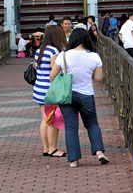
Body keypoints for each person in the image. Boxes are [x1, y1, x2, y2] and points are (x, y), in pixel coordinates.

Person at [49, 28, 109, 168]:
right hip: (86, 94)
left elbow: (52, 75)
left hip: (67, 95)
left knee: (71, 128)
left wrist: (58, 85)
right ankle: (99, 151)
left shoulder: (63, 55)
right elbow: (99, 78)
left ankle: (74, 160)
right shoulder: (94, 56)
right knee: (92, 124)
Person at [32, 19, 67, 158]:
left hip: (39, 88)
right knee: (52, 119)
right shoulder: (53, 50)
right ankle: (53, 148)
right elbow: (55, 71)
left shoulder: (40, 50)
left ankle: (46, 148)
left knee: (44, 119)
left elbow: (36, 67)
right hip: (50, 89)